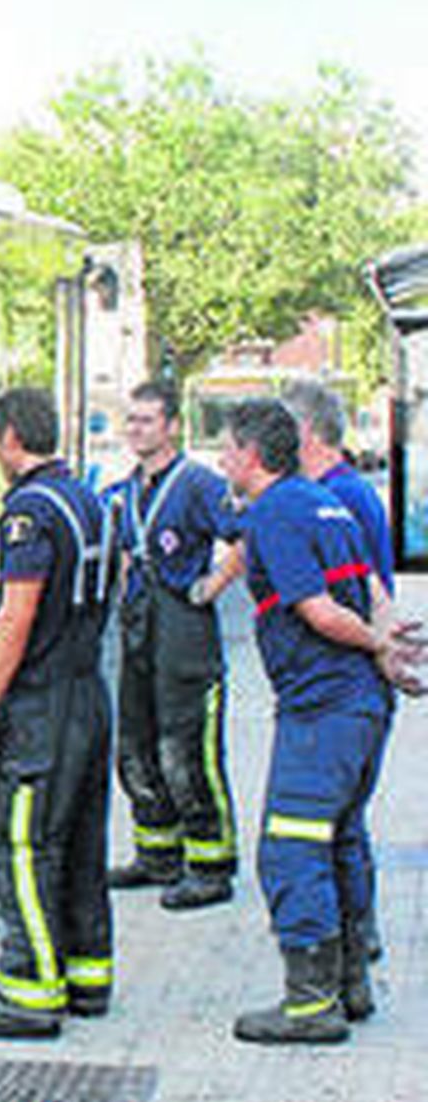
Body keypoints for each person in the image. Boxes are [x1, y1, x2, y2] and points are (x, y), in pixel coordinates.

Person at [219, 400, 421, 1043]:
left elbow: (319, 611)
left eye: (226, 449)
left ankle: (310, 1006)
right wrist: (387, 648)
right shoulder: (326, 502)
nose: (221, 461)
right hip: (361, 706)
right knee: (341, 839)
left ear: (252, 455)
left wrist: (379, 645)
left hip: (322, 709)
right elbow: (376, 592)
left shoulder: (274, 514)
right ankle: (351, 986)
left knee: (291, 847)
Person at [0, 387, 115, 1039]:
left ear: (12, 437)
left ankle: (29, 993)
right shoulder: (89, 500)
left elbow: (15, 615)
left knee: (16, 846)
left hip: (41, 706)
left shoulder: (29, 512)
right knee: (78, 843)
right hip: (87, 694)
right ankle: (86, 978)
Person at [106, 381, 241, 909]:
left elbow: (246, 536)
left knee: (185, 752)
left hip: (185, 630)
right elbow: (123, 552)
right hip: (140, 629)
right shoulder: (125, 489)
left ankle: (211, 866)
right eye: (131, 420)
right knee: (135, 750)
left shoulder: (199, 484)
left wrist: (213, 585)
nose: (135, 429)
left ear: (172, 426)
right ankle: (158, 855)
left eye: (146, 420)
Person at [282, 377, 396, 963]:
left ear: (304, 433)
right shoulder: (344, 491)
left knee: (329, 827)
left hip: (343, 685)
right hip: (356, 680)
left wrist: (381, 648)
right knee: (344, 822)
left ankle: (348, 943)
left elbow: (354, 599)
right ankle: (357, 938)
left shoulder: (333, 498)